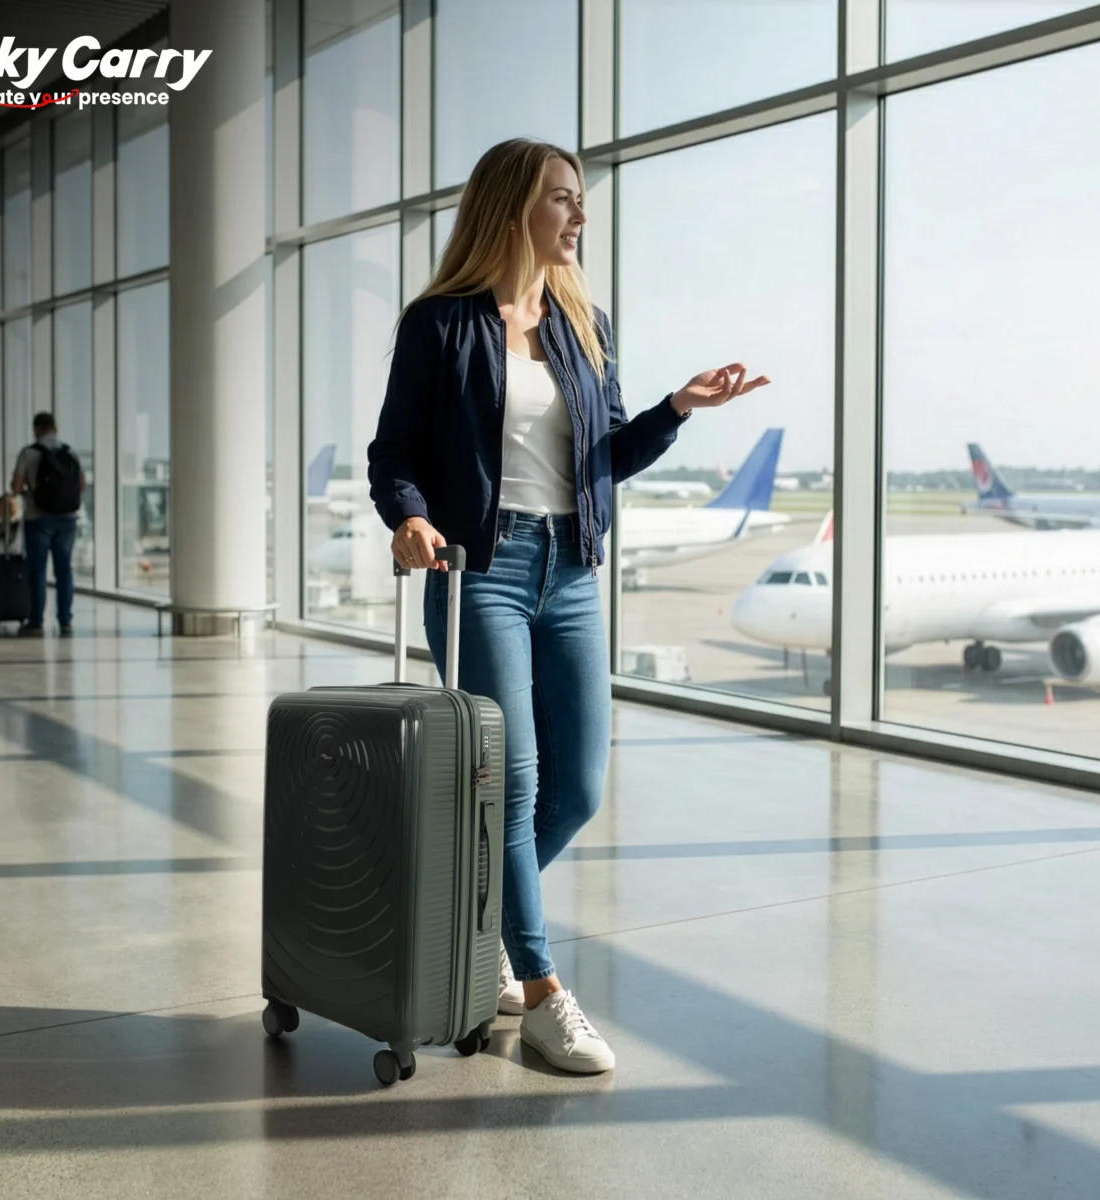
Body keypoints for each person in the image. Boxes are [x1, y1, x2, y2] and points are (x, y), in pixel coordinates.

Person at [367, 139, 769, 1075]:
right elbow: (395, 453)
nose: (580, 215)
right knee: (509, 785)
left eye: (580, 199)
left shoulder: (586, 325)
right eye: (562, 198)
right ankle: (543, 990)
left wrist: (676, 409)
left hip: (573, 573)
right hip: (483, 571)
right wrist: (410, 517)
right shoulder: (441, 323)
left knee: (578, 788)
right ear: (512, 206)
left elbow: (603, 460)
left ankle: (472, 931)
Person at [11, 413, 86, 637]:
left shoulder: (28, 452)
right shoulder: (70, 452)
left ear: (36, 429)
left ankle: (36, 621)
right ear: (55, 428)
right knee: (64, 570)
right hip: (68, 518)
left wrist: (29, 491)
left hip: (38, 518)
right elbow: (82, 485)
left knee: (38, 571)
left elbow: (16, 487)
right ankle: (65, 621)